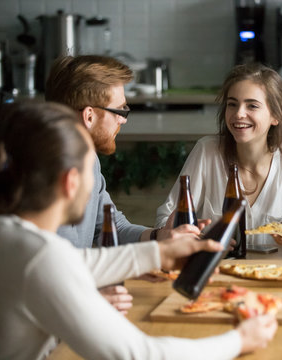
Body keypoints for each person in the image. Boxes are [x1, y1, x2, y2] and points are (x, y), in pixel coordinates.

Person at [0, 102, 277, 360]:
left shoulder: (10, 236)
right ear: (71, 182)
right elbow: (141, 355)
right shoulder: (42, 259)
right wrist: (238, 340)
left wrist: (158, 253)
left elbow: (77, 265)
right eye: (89, 172)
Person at [45, 55, 186, 314]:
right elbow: (51, 265)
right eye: (120, 111)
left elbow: (110, 227)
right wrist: (94, 291)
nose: (123, 120)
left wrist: (157, 238)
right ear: (89, 116)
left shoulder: (89, 162)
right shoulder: (44, 177)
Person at [156, 63, 282, 246]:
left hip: (276, 271)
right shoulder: (207, 151)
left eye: (252, 106)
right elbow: (167, 219)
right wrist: (200, 240)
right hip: (217, 269)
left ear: (276, 116)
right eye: (232, 104)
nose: (238, 114)